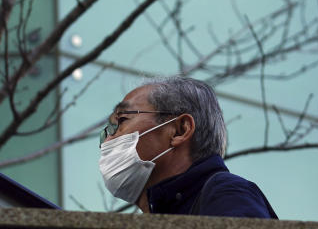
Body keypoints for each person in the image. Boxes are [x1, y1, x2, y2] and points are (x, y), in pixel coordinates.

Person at [98, 76, 278, 218]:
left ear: (180, 130)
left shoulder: (227, 194)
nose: (108, 141)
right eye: (107, 131)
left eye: (121, 120)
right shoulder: (164, 216)